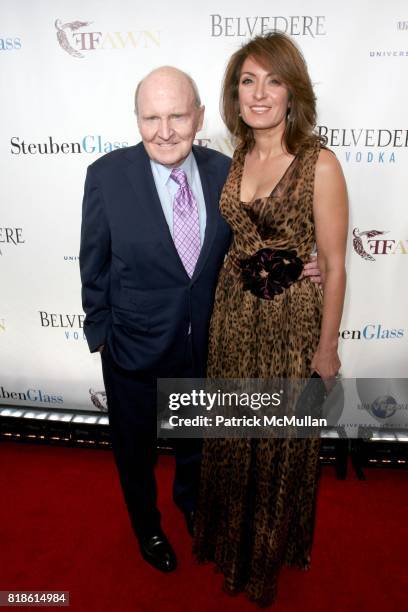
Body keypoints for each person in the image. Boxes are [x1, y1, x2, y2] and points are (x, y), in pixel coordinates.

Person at [79, 65, 322, 575]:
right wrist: (103, 334)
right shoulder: (105, 175)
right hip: (133, 349)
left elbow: (252, 248)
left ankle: (191, 505)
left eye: (177, 116)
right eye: (151, 118)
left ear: (200, 117)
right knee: (135, 451)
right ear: (137, 119)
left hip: (207, 343)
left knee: (196, 440)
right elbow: (93, 263)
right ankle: (147, 524)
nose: (164, 131)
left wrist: (302, 263)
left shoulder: (224, 172)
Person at [193, 32, 348, 607]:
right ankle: (229, 540)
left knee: (280, 441)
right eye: (247, 81)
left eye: (273, 80)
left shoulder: (319, 162)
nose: (259, 93)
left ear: (292, 91)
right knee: (233, 433)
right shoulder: (235, 157)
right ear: (235, 95)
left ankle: (266, 556)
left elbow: (333, 266)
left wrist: (327, 348)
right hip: (232, 318)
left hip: (291, 324)